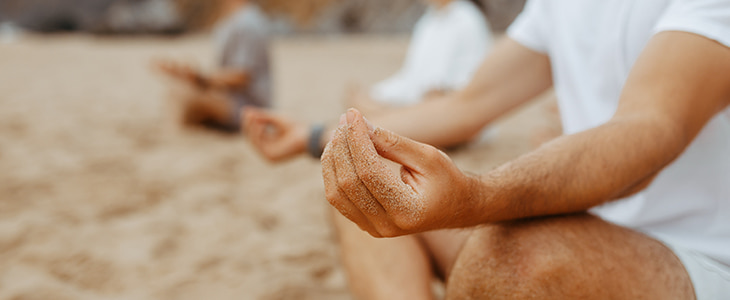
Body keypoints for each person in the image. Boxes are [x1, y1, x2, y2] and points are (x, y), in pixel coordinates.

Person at [319, 0, 730, 299]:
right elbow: (468, 103)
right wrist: (313, 136)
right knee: (365, 186)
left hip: (704, 257)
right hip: (595, 227)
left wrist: (472, 197)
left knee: (511, 262)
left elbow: (649, 131)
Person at [243, 0, 493, 161]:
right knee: (360, 101)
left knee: (372, 113)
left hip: (456, 113)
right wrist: (371, 94)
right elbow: (411, 79)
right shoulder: (428, 22)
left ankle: (316, 133)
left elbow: (451, 95)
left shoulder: (466, 19)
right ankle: (320, 131)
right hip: (432, 105)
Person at [156, 0, 271, 132]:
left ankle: (178, 135)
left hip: (248, 106)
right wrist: (189, 75)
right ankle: (186, 131)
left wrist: (201, 78)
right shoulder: (232, 22)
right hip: (233, 99)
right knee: (180, 88)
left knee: (184, 93)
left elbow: (242, 76)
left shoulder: (247, 24)